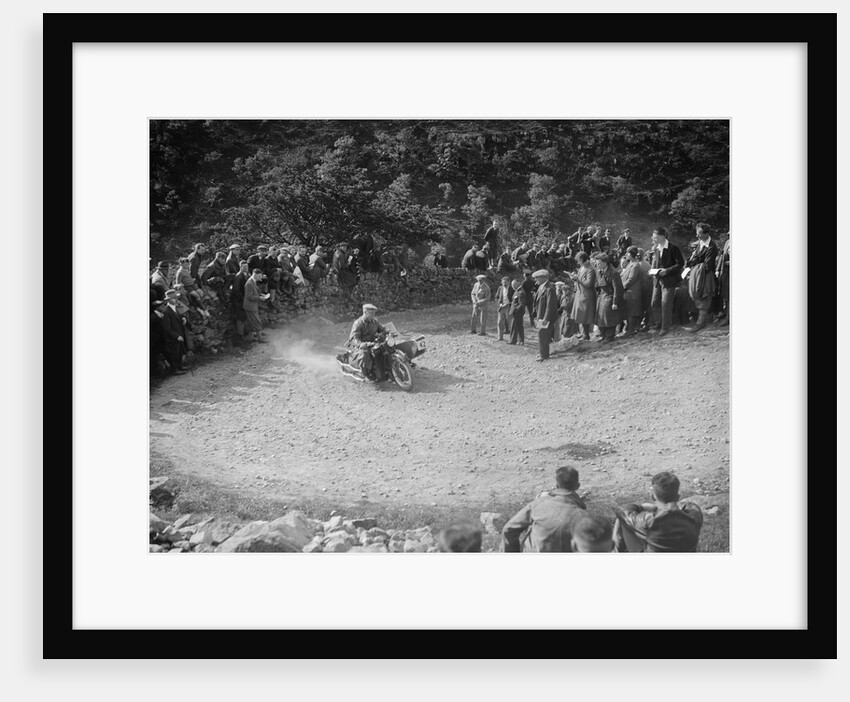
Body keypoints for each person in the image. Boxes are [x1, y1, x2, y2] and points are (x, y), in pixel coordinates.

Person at [502, 466, 587, 552]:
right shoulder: (584, 517)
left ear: (557, 485)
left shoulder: (538, 504)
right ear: (577, 486)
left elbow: (509, 529)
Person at [613, 471, 704, 553]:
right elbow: (689, 505)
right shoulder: (695, 517)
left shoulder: (648, 521)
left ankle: (616, 553)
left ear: (652, 496)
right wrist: (671, 506)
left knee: (622, 520)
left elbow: (622, 510)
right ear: (678, 497)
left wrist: (642, 507)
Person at [649, 227, 685, 336]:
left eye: (655, 237)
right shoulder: (656, 248)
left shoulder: (673, 248)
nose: (653, 239)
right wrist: (652, 271)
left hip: (669, 281)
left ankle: (665, 327)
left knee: (666, 304)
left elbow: (680, 264)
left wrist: (667, 271)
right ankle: (658, 323)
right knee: (654, 303)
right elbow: (655, 263)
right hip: (657, 280)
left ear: (662, 237)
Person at [684, 223, 718, 332]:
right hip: (699, 274)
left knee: (704, 297)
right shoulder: (700, 244)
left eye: (699, 233)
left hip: (706, 275)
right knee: (698, 296)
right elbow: (697, 259)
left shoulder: (711, 247)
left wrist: (695, 266)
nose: (697, 235)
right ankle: (705, 318)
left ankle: (700, 323)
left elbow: (707, 265)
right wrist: (690, 262)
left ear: (706, 233)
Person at [347, 303, 387, 380]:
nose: (373, 315)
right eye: (371, 313)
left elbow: (382, 329)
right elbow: (353, 338)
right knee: (364, 352)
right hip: (361, 346)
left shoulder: (375, 322)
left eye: (374, 313)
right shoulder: (358, 323)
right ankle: (364, 372)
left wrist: (384, 334)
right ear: (365, 312)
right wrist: (361, 344)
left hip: (373, 343)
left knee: (386, 347)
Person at [594, 254, 624, 343]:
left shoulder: (614, 273)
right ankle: (603, 335)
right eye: (597, 263)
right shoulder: (599, 271)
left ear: (605, 262)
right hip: (601, 297)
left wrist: (615, 302)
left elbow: (617, 288)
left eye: (599, 263)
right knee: (600, 318)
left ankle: (609, 336)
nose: (597, 265)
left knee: (609, 317)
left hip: (609, 296)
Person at [160, 289, 190, 375]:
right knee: (174, 353)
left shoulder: (175, 308)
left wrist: (183, 318)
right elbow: (167, 328)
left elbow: (178, 318)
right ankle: (174, 369)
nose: (176, 300)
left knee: (179, 351)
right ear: (168, 300)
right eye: (173, 298)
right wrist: (176, 336)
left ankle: (180, 366)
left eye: (176, 298)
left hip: (178, 333)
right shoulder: (166, 311)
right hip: (172, 337)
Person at [619, 246, 647, 337]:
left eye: (628, 253)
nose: (626, 254)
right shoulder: (630, 263)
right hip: (628, 292)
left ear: (632, 254)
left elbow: (631, 280)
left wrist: (621, 287)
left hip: (633, 292)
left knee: (632, 312)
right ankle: (630, 329)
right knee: (628, 311)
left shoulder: (635, 265)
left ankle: (631, 330)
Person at [532, 269, 558, 361]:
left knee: (543, 334)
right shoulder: (541, 287)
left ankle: (544, 355)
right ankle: (543, 353)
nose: (536, 280)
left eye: (537, 278)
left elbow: (550, 305)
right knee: (543, 335)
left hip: (546, 317)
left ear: (543, 277)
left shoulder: (550, 288)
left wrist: (546, 319)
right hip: (540, 316)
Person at [570, 251, 596, 340]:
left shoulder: (590, 269)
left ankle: (586, 335)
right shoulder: (582, 267)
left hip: (587, 294)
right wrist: (574, 278)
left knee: (585, 315)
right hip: (580, 293)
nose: (578, 262)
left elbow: (589, 284)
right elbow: (580, 279)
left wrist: (577, 279)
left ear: (582, 259)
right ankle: (583, 332)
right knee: (580, 314)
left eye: (579, 260)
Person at [243, 268, 270, 343]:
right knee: (256, 321)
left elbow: (253, 292)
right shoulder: (249, 283)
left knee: (252, 322)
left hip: (252, 306)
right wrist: (260, 298)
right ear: (255, 275)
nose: (260, 277)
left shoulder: (252, 282)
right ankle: (260, 339)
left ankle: (250, 338)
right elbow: (249, 296)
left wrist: (261, 294)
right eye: (259, 276)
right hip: (250, 306)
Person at [230, 260, 250, 343]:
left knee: (245, 317)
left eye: (246, 266)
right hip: (239, 301)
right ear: (240, 267)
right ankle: (240, 336)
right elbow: (236, 290)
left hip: (245, 299)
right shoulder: (238, 277)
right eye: (244, 267)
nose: (246, 268)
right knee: (240, 318)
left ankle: (245, 334)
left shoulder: (247, 275)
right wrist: (243, 300)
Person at [715, 234, 730, 326]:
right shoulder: (728, 242)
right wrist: (717, 269)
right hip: (726, 273)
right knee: (727, 296)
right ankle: (727, 317)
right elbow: (723, 257)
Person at [494, 276, 512, 341]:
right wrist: (500, 303)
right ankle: (500, 337)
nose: (504, 284)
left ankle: (512, 338)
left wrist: (509, 303)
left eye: (505, 282)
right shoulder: (500, 288)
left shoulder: (511, 289)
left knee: (510, 323)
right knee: (500, 322)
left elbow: (514, 299)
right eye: (503, 282)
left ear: (508, 282)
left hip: (508, 307)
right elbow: (496, 297)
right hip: (501, 307)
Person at [508, 279, 526, 345]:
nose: (513, 286)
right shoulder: (516, 291)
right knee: (519, 326)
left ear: (518, 283)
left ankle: (513, 340)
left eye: (514, 284)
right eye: (512, 285)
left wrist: (515, 310)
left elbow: (521, 304)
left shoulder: (520, 292)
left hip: (518, 312)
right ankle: (521, 341)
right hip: (516, 312)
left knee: (514, 327)